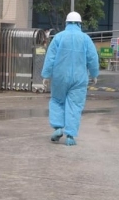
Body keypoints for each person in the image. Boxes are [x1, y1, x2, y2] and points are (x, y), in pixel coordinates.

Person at [41, 11, 99, 146]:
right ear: (80, 24)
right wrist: (94, 74)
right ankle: (70, 136)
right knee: (75, 105)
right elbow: (93, 58)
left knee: (57, 101)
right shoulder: (86, 39)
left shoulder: (58, 37)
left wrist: (46, 75)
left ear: (66, 23)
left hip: (60, 76)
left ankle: (58, 128)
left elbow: (50, 58)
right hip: (79, 78)